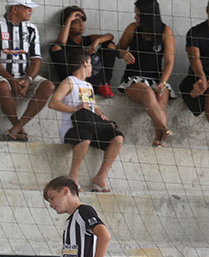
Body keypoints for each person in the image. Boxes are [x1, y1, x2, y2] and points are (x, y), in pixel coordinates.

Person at [48, 48, 123, 193]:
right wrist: (75, 109)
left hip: (90, 125)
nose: (91, 67)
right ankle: (73, 176)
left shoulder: (89, 86)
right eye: (90, 63)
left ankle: (101, 176)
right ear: (84, 63)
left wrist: (101, 115)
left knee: (117, 137)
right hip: (71, 128)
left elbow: (94, 107)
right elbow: (53, 103)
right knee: (85, 137)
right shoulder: (69, 82)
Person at [0, 0, 54, 142]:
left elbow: (36, 59)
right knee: (2, 86)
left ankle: (16, 128)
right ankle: (18, 127)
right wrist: (10, 79)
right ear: (15, 9)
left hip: (23, 76)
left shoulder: (31, 29)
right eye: (27, 8)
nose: (30, 11)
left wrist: (28, 79)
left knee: (48, 86)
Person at [116, 0, 175, 147]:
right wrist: (123, 53)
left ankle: (158, 140)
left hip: (157, 78)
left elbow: (169, 62)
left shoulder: (165, 31)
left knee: (161, 96)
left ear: (147, 15)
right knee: (147, 92)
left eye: (138, 14)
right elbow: (117, 50)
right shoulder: (132, 28)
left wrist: (163, 82)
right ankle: (164, 129)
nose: (135, 17)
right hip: (133, 79)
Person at [50, 6, 117, 98]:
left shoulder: (86, 40)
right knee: (56, 48)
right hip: (74, 80)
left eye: (82, 22)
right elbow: (61, 43)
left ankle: (104, 84)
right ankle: (73, 88)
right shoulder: (64, 42)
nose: (81, 25)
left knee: (110, 44)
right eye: (76, 23)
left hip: (93, 78)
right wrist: (69, 19)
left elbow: (110, 36)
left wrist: (95, 42)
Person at [179, 2, 209, 121]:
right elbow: (194, 58)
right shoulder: (195, 32)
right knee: (191, 91)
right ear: (207, 10)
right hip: (198, 76)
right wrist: (202, 78)